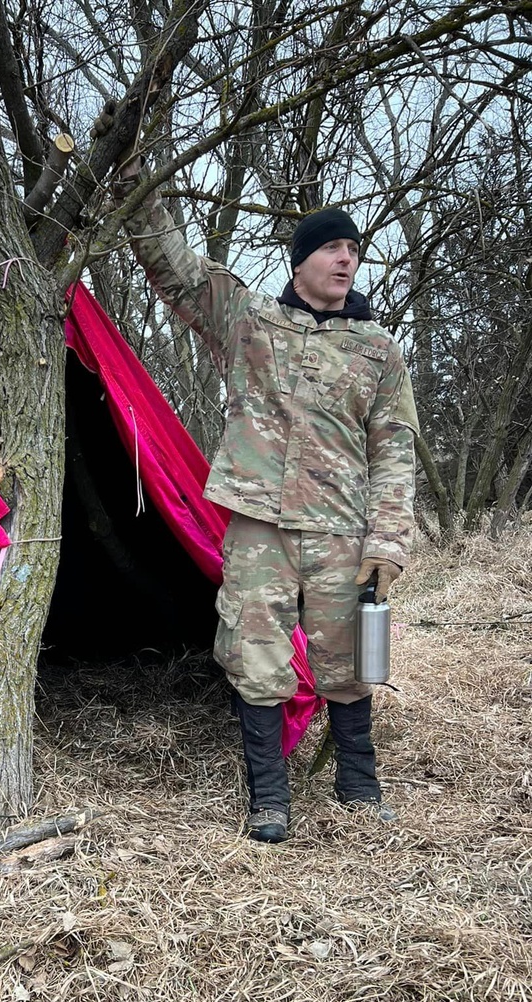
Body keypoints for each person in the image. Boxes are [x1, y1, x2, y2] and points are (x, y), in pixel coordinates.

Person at [112, 159, 418, 844]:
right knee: (255, 658)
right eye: (334, 247)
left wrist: (388, 541)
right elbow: (177, 269)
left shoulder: (378, 350)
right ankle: (270, 799)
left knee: (347, 660)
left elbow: (396, 449)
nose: (348, 258)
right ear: (303, 260)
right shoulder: (250, 322)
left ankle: (359, 787)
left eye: (355, 250)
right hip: (259, 526)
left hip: (343, 530)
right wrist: (136, 179)